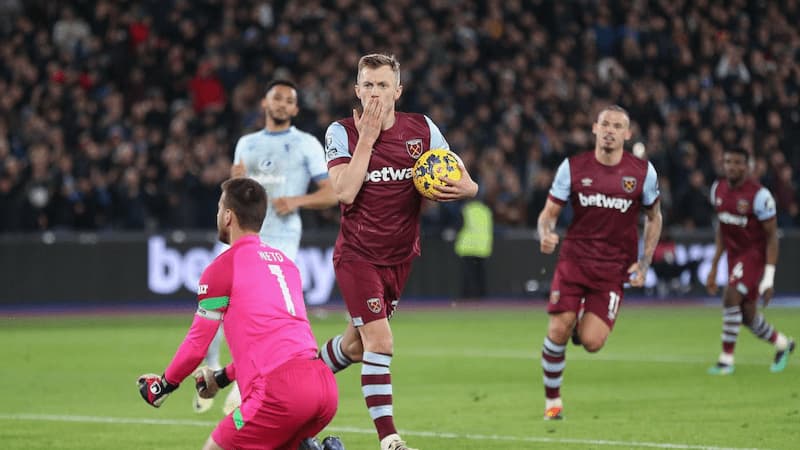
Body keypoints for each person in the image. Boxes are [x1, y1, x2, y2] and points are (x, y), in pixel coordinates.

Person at [317, 53, 478, 450]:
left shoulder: (421, 129)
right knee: (381, 342)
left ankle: (293, 379)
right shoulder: (341, 132)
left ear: (398, 91)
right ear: (357, 90)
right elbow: (344, 191)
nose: (374, 93)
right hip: (357, 255)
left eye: (383, 85)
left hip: (401, 257)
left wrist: (466, 188)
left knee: (355, 346)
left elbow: (466, 179)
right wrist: (368, 140)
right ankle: (389, 439)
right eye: (368, 85)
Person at [137, 178, 339, 450]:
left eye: (220, 208)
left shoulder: (223, 268)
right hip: (322, 386)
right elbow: (276, 344)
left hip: (279, 393)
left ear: (228, 216)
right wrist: (222, 378)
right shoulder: (286, 264)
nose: (218, 214)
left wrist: (163, 385)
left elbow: (198, 345)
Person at [199, 79, 338, 414]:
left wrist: (298, 201)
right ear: (265, 102)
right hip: (242, 239)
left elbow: (332, 193)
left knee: (267, 318)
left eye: (288, 100)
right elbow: (233, 191)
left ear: (295, 109)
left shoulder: (306, 144)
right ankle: (209, 371)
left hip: (281, 245)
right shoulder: (247, 143)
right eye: (276, 98)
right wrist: (234, 180)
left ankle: (255, 385)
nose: (281, 104)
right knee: (210, 302)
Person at [536, 105, 662, 420]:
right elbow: (548, 215)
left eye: (617, 126)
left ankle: (580, 322)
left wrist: (644, 262)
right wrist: (546, 233)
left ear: (627, 134)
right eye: (605, 124)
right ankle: (553, 402)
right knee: (558, 328)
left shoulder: (642, 173)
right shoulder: (573, 167)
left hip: (613, 269)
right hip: (574, 261)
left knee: (591, 342)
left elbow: (654, 217)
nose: (610, 130)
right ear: (594, 128)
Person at [705, 146, 795, 375]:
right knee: (747, 314)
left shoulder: (760, 196)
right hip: (735, 256)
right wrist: (714, 265)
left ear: (748, 166)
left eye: (737, 163)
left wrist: (768, 278)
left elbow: (772, 237)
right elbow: (721, 230)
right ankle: (783, 344)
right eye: (728, 162)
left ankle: (726, 360)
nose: (732, 167)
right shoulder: (717, 189)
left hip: (754, 255)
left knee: (730, 297)